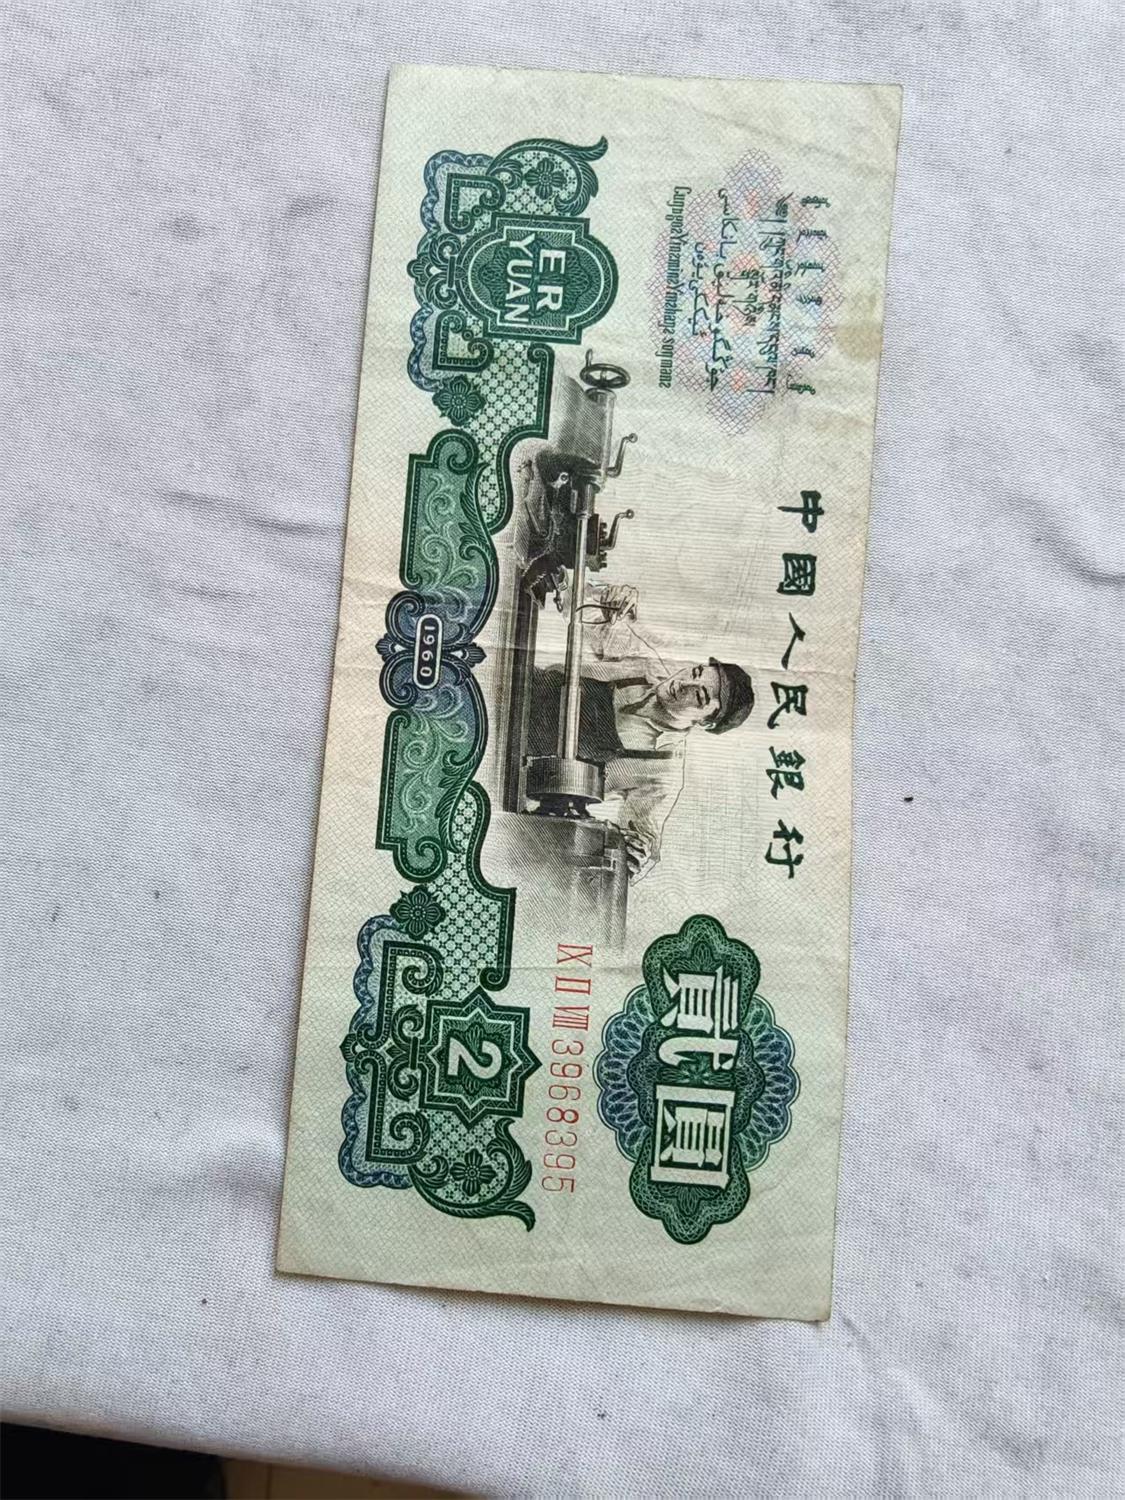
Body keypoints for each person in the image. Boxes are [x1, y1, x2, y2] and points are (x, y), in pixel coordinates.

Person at [528, 584, 754, 881]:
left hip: (516, 764)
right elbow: (576, 605)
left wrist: (632, 858)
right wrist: (605, 598)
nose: (684, 684)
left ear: (705, 722)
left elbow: (641, 845)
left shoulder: (662, 772)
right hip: (516, 682)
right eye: (696, 672)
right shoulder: (643, 664)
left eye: (699, 696)